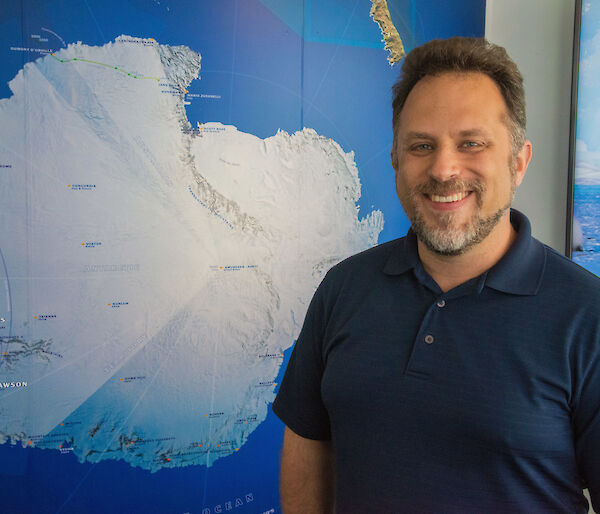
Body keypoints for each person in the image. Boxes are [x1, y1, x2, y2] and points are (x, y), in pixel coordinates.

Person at [272, 37, 600, 513]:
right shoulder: (343, 289)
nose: (444, 169)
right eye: (422, 145)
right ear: (396, 161)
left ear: (518, 162)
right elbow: (309, 443)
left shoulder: (587, 315)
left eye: (471, 143)